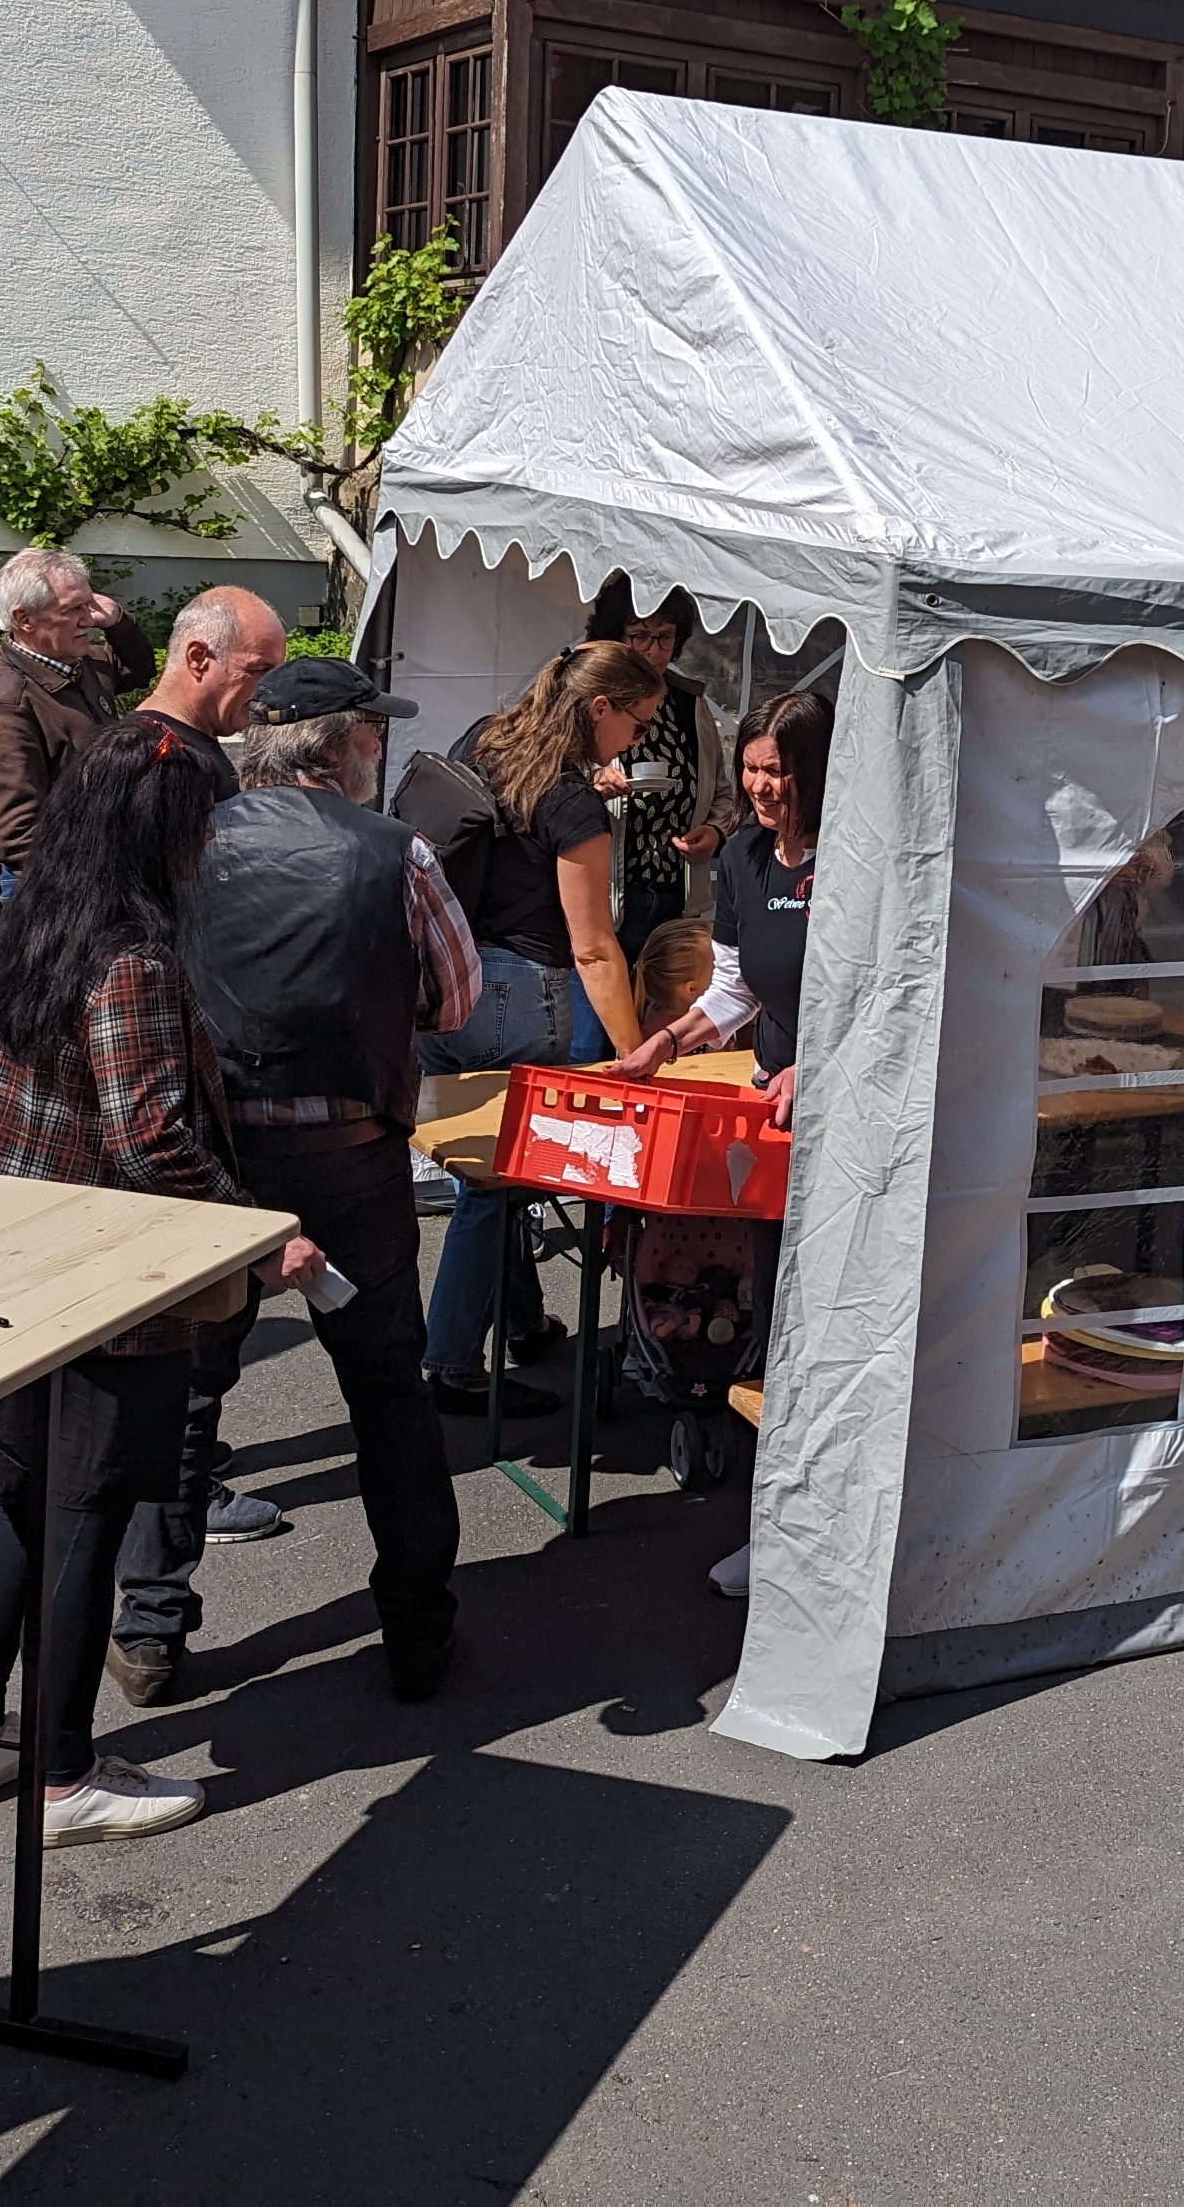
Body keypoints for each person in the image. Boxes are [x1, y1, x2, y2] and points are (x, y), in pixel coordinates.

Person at [0, 719, 286, 1844]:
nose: (213, 845)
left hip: (5, 1261)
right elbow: (151, 1140)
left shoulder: (30, 923)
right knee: (83, 1516)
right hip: (98, 1282)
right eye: (204, 823)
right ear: (161, 831)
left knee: (15, 1505)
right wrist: (256, 1233)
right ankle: (59, 1775)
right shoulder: (133, 956)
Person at [130, 658, 478, 1704]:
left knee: (188, 1393)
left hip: (217, 1158)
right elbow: (456, 1001)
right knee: (385, 1393)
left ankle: (149, 1626)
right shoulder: (395, 851)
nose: (381, 750)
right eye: (375, 733)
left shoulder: (182, 843)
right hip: (350, 1156)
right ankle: (417, 1626)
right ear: (347, 744)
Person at [398, 640, 671, 1412]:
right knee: (498, 1183)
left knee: (487, 1170)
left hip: (444, 986)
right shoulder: (572, 804)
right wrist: (632, 1051)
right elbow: (592, 944)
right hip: (522, 996)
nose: (638, 740)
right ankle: (449, 1358)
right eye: (637, 722)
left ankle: (518, 1319)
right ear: (599, 708)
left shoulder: (482, 740)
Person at [617, 688, 828, 1127]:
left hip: (841, 1095)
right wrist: (668, 1042)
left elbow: (881, 999)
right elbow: (737, 987)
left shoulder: (855, 860)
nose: (759, 785)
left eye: (776, 771)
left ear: (817, 772)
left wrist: (815, 1072)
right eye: (750, 768)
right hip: (772, 1089)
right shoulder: (741, 855)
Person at [0, 545, 153, 883]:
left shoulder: (80, 662)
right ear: (24, 619)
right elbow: (17, 836)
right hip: (57, 883)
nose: (88, 619)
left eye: (89, 604)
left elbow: (138, 669)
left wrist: (117, 623)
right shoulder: (6, 707)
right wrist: (94, 881)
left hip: (101, 858)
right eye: (73, 609)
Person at [586, 580, 734, 955]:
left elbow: (721, 790)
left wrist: (715, 832)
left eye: (665, 637)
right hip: (606, 897)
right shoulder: (587, 699)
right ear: (615, 637)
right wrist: (591, 780)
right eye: (640, 636)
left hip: (677, 895)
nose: (653, 651)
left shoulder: (689, 704)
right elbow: (545, 778)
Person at [132, 585, 286, 808]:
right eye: (260, 669)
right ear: (198, 659)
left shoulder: (186, 741)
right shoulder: (158, 758)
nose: (271, 686)